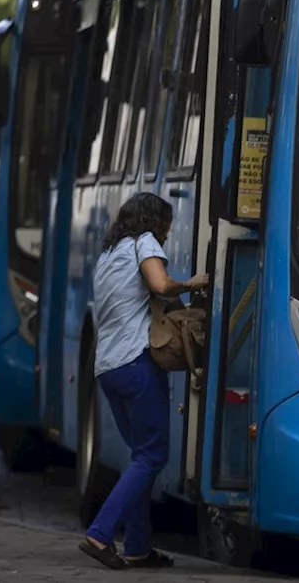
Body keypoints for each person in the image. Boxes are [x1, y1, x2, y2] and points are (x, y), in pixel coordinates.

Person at [79, 192, 208, 570]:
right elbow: (159, 284)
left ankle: (137, 546)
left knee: (140, 456)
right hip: (137, 364)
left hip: (108, 369)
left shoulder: (107, 255)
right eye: (165, 224)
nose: (167, 234)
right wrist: (191, 283)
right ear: (153, 221)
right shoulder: (143, 242)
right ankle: (100, 534)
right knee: (153, 454)